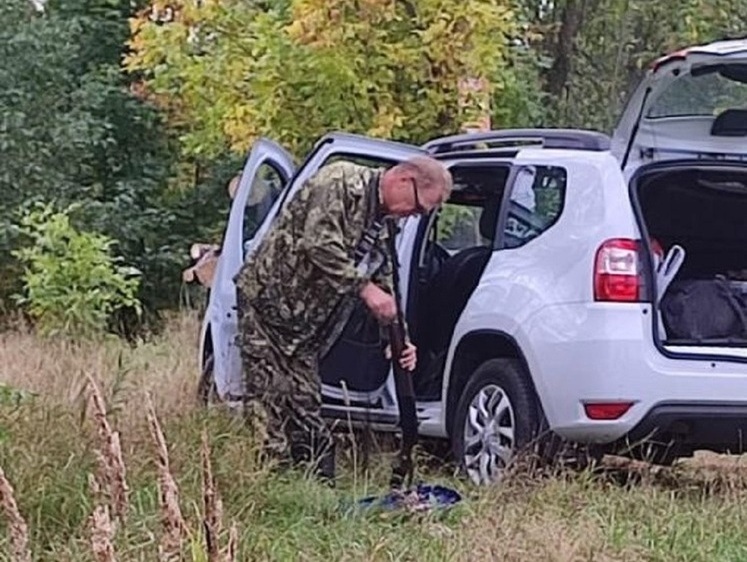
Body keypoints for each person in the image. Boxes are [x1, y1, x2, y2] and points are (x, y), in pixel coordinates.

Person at [234, 155, 453, 484]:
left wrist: (399, 337)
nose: (414, 217)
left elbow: (385, 283)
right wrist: (364, 289)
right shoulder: (339, 183)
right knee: (268, 398)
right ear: (404, 180)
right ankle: (269, 483)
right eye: (419, 208)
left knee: (306, 404)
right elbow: (319, 243)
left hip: (305, 326)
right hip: (267, 304)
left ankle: (314, 487)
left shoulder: (385, 222)